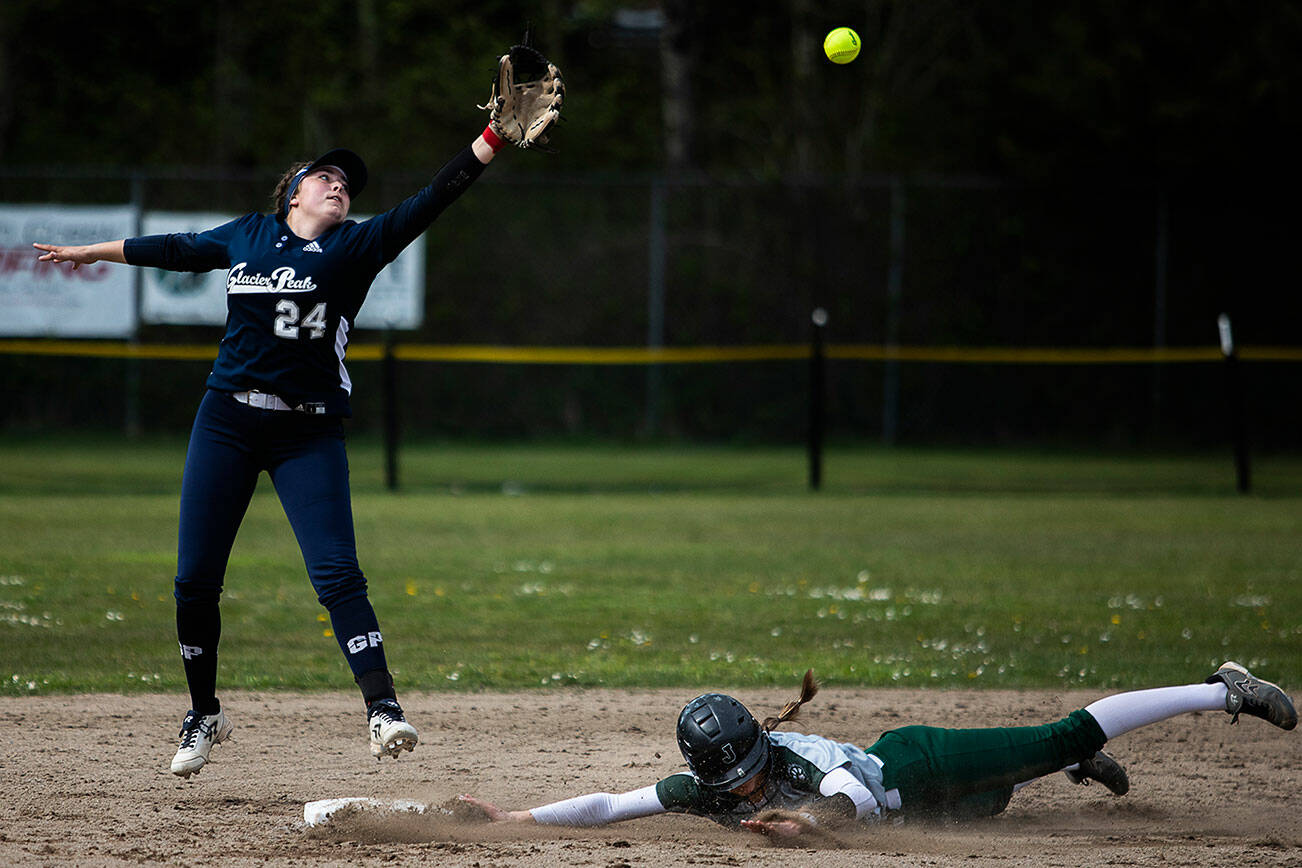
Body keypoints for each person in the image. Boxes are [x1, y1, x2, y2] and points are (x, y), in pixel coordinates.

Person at [32, 86, 530, 778]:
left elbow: (431, 199)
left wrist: (492, 140)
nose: (340, 187)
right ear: (292, 193)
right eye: (325, 177)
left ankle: (383, 709)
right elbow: (176, 248)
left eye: (347, 184)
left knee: (336, 573)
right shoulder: (246, 235)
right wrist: (93, 251)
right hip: (228, 420)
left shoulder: (356, 247)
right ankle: (203, 712)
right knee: (193, 581)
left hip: (308, 432)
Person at [459, 662, 1296, 840]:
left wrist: (803, 824)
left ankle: (1222, 689)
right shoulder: (706, 789)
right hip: (928, 808)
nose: (750, 792)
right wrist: (512, 817)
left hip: (911, 765)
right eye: (737, 785)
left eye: (755, 774)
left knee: (1055, 737)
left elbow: (851, 799)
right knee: (996, 805)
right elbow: (613, 805)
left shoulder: (790, 766)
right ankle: (1068, 771)